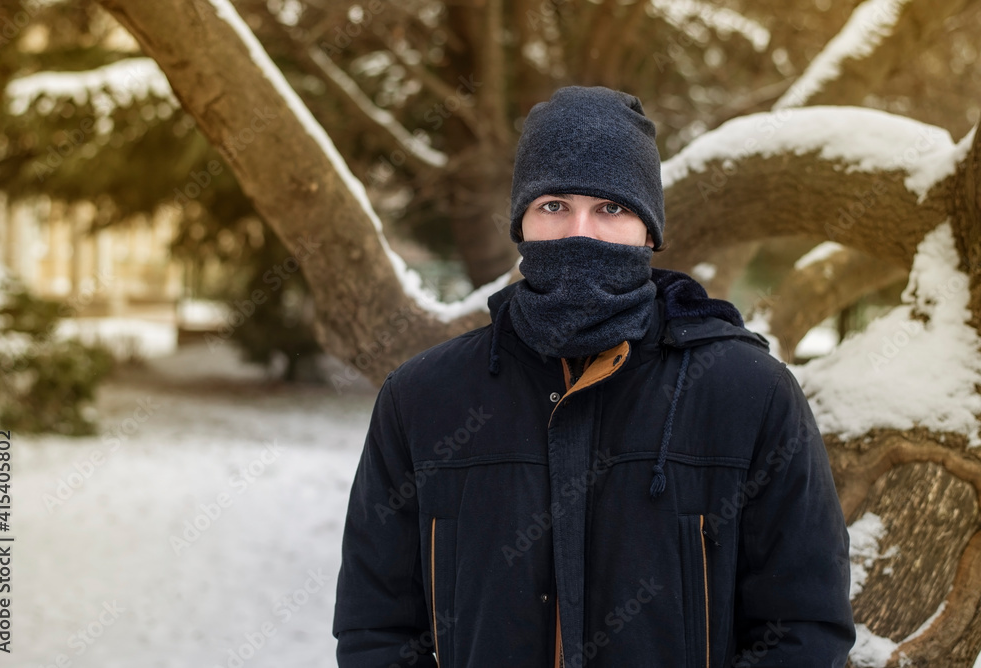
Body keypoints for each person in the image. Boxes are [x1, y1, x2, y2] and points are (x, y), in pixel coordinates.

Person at [332, 85, 855, 667]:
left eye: (611, 208)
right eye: (554, 205)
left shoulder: (749, 394)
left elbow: (805, 630)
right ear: (521, 223)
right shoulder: (423, 399)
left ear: (649, 231)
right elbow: (375, 628)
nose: (580, 231)